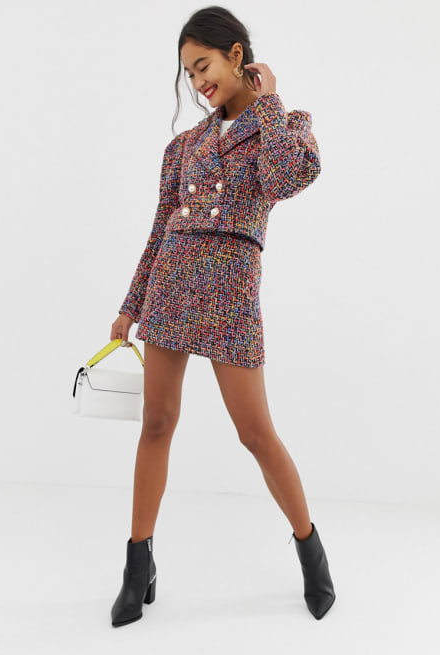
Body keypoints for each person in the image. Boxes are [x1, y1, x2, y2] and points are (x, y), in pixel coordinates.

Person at [108, 6, 335, 627]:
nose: (197, 82)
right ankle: (136, 566)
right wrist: (130, 304)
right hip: (171, 286)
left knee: (255, 432)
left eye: (203, 65)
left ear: (237, 55)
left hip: (231, 291)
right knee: (157, 423)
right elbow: (160, 229)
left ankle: (311, 552)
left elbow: (288, 179)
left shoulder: (285, 124)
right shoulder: (182, 146)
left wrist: (270, 99)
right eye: (188, 73)